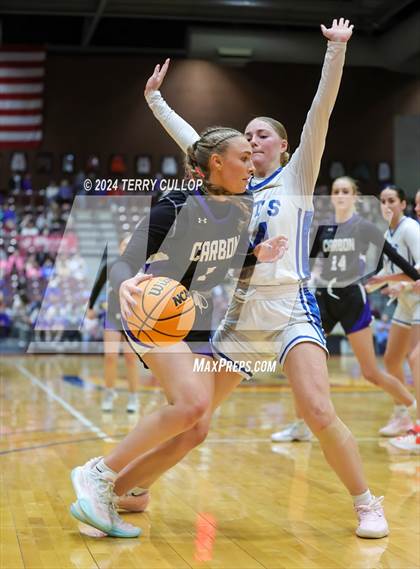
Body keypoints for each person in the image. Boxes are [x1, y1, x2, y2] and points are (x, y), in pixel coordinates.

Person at [97, 18, 389, 539]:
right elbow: (197, 143)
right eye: (245, 135)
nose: (251, 139)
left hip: (290, 306)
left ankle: (367, 503)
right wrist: (158, 104)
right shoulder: (235, 185)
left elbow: (320, 111)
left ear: (281, 144)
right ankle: (122, 486)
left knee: (318, 409)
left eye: (260, 133)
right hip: (238, 311)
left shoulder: (298, 173)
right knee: (194, 417)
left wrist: (335, 51)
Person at [70, 125, 287, 537]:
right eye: (243, 157)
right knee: (189, 405)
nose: (251, 165)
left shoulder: (241, 206)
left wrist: (256, 257)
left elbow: (225, 264)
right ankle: (97, 473)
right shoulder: (175, 206)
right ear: (216, 164)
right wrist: (124, 282)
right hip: (152, 310)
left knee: (197, 427)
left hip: (194, 319)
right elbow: (127, 257)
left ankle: (124, 491)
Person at [271, 176, 418, 443]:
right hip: (325, 299)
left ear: (354, 196)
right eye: (336, 190)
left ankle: (411, 407)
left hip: (352, 300)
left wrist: (414, 277)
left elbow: (392, 256)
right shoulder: (324, 229)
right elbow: (308, 263)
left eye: (345, 191)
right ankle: (300, 425)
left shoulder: (363, 227)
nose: (339, 194)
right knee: (301, 365)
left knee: (370, 372)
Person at [366, 186, 420, 437]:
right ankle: (403, 413)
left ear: (402, 204)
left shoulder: (410, 228)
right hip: (406, 300)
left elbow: (417, 269)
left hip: (418, 299)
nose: (386, 205)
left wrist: (387, 280)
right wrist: (391, 284)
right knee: (391, 360)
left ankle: (417, 421)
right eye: (383, 201)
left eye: (391, 200)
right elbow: (399, 272)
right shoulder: (387, 232)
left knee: (415, 359)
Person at [87, 236, 140, 413]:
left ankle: (133, 397)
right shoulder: (110, 265)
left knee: (131, 359)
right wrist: (90, 307)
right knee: (110, 357)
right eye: (124, 244)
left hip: (133, 318)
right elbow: (97, 286)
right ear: (119, 247)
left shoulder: (142, 267)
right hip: (112, 316)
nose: (127, 246)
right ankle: (109, 393)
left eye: (130, 244)